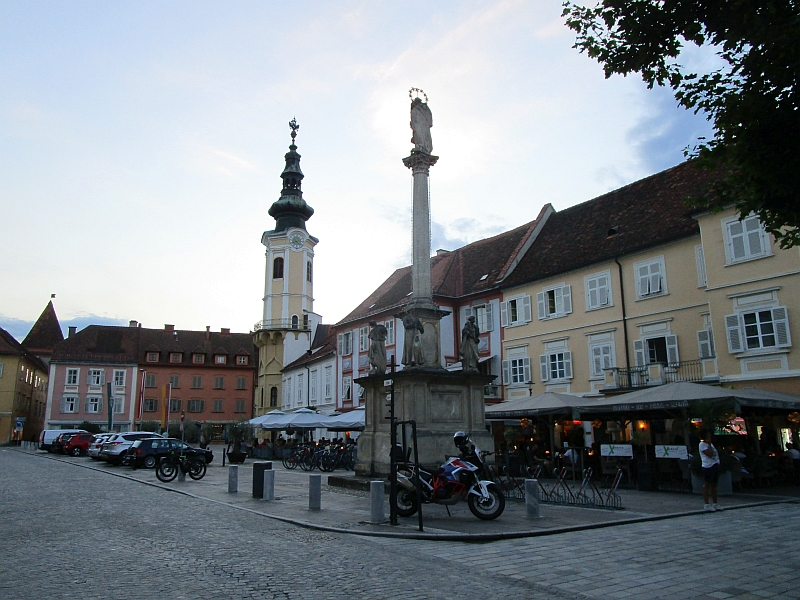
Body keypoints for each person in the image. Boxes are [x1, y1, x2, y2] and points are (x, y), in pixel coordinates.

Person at [699, 428, 723, 512]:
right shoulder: (702, 445)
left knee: (714, 485)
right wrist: (708, 444)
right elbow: (709, 454)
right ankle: (706, 504)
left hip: (714, 465)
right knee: (707, 485)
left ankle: (715, 503)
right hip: (708, 466)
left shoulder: (711, 444)